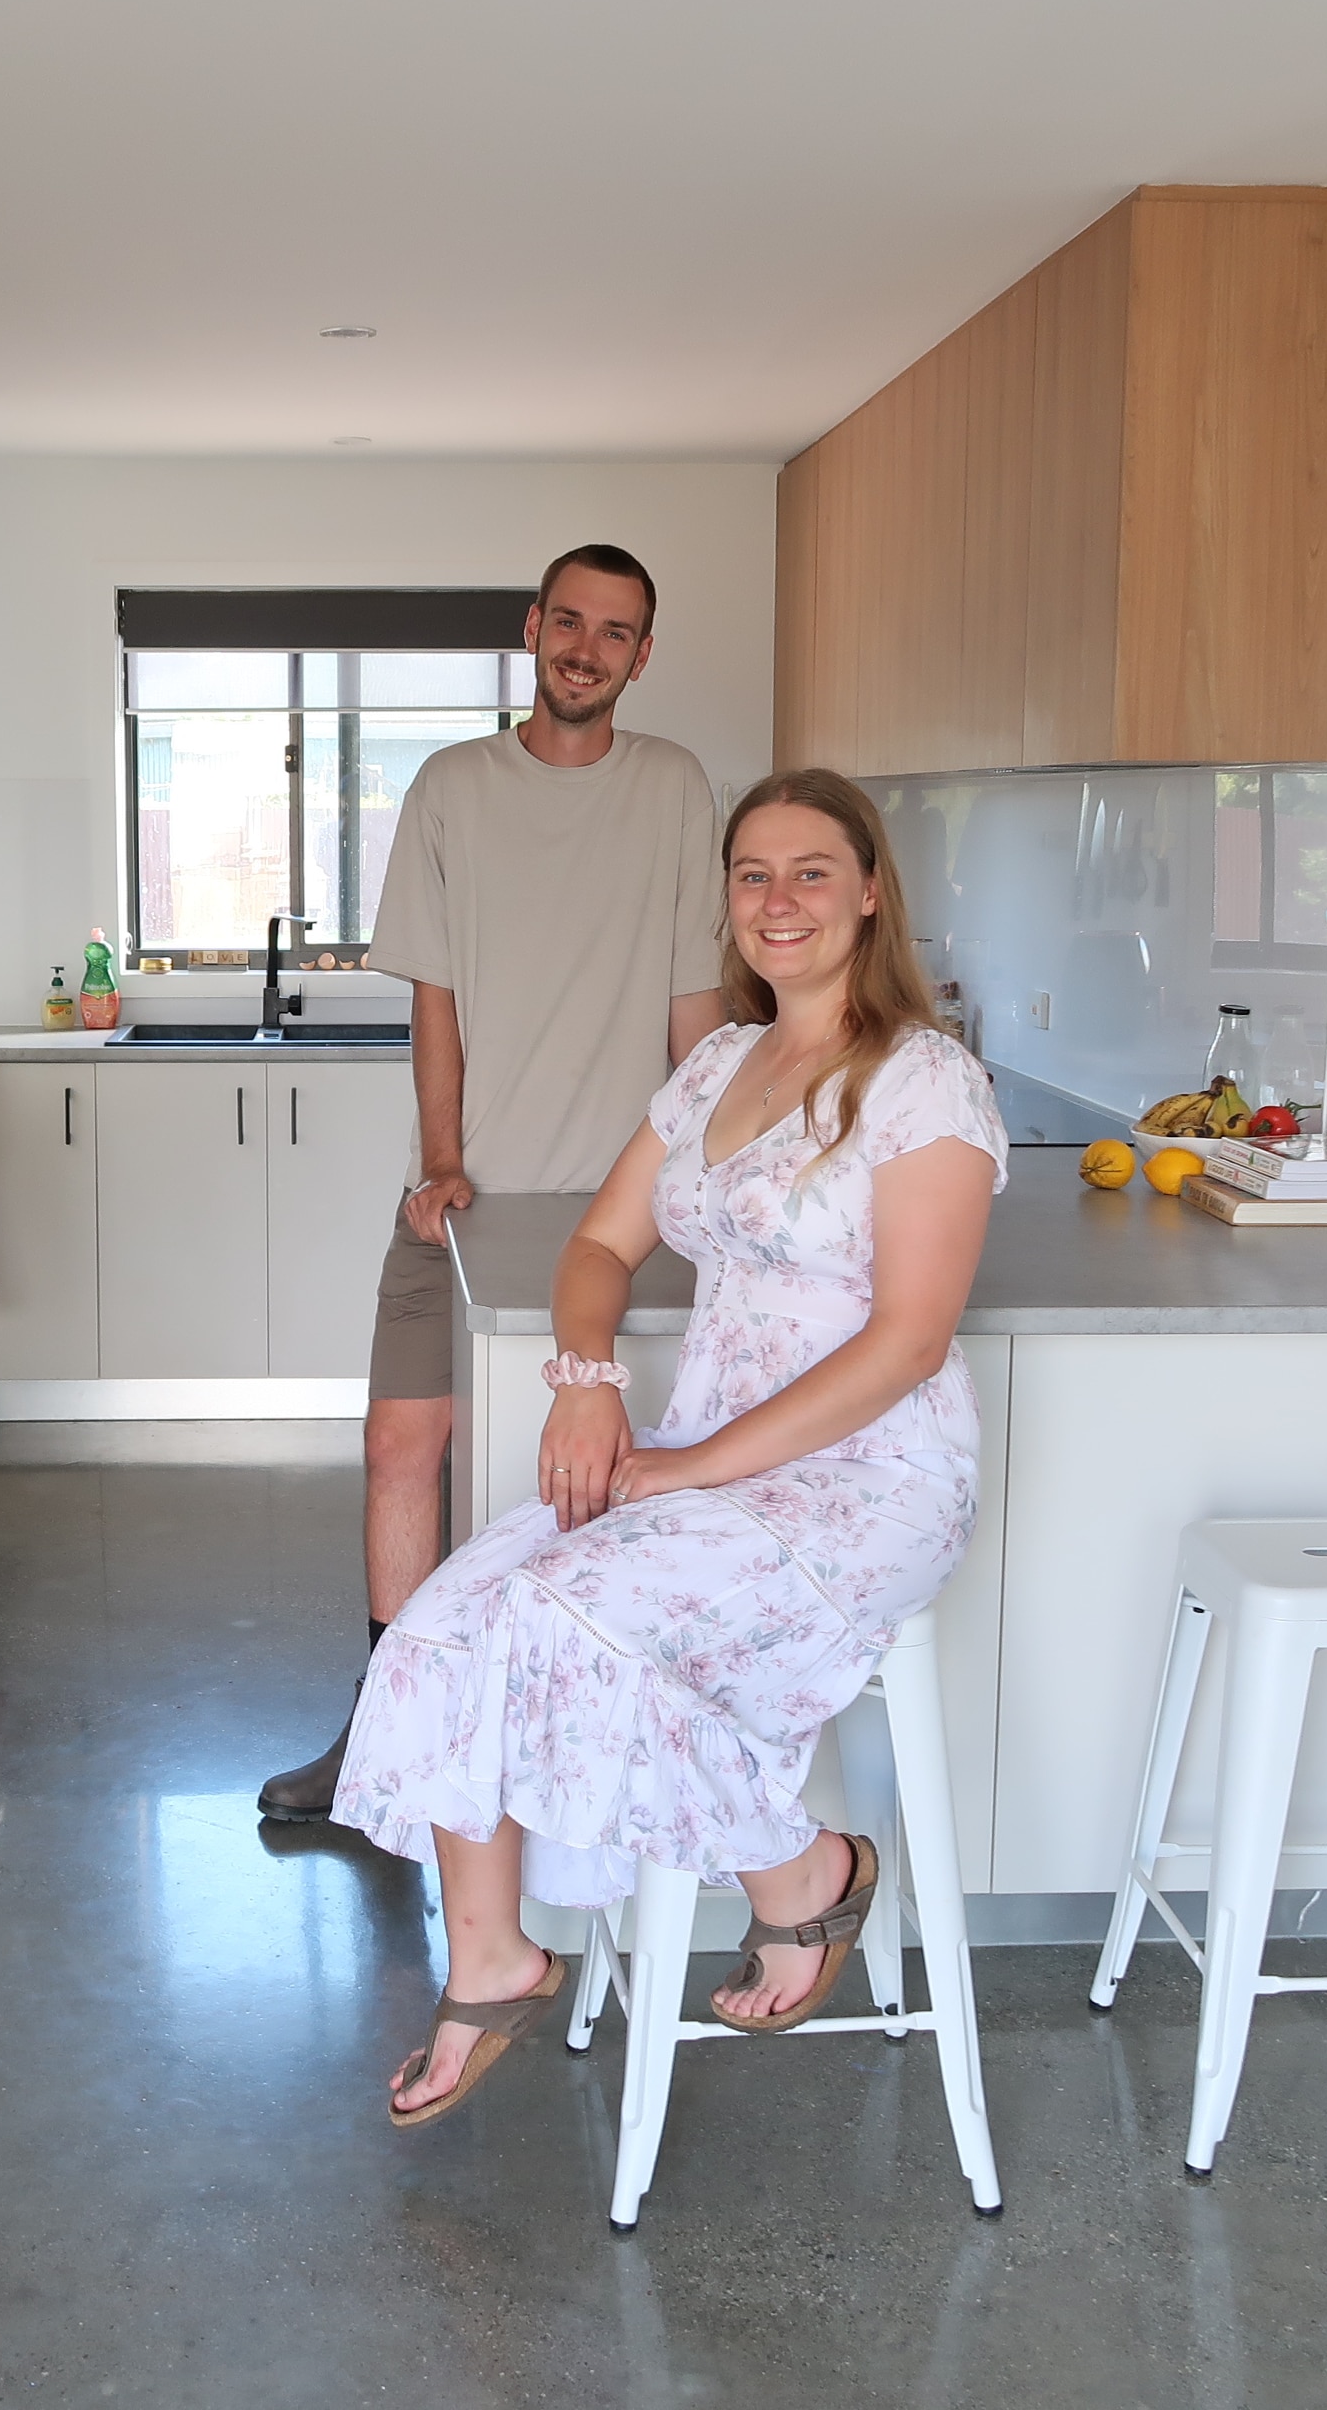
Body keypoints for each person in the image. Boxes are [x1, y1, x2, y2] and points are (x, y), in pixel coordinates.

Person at [332, 769, 1007, 2124]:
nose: (778, 900)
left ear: (871, 891)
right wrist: (587, 1379)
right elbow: (600, 1244)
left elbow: (910, 1343)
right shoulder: (715, 1067)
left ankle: (801, 1874)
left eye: (812, 871)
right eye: (752, 874)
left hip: (863, 1481)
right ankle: (493, 1957)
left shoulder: (926, 1083)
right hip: (696, 1449)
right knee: (450, 1618)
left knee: (572, 1621)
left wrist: (688, 1470)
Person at [257, 544, 728, 1819]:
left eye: (616, 630)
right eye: (567, 620)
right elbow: (437, 1003)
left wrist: (716, 1183)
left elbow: (700, 1015)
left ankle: (539, 1740)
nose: (587, 646)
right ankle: (383, 1738)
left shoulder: (677, 788)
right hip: (455, 1200)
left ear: (642, 652)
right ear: (533, 629)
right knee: (401, 1443)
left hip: (626, 1214)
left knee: (582, 1479)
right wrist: (447, 1159)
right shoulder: (453, 786)